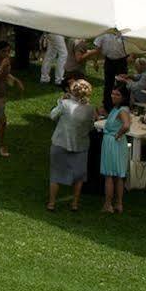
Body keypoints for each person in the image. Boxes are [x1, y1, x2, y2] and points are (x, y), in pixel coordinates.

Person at [47, 78, 93, 211]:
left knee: (56, 174)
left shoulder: (65, 104)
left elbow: (52, 116)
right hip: (81, 145)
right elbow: (91, 126)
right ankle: (74, 204)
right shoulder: (90, 109)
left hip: (61, 142)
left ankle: (51, 203)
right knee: (79, 176)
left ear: (73, 90)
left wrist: (60, 101)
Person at [97, 83, 135, 213]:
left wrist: (117, 135)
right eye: (113, 93)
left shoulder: (122, 110)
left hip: (113, 142)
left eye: (117, 94)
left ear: (123, 97)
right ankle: (119, 204)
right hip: (118, 143)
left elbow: (126, 125)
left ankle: (108, 204)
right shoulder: (118, 109)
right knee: (119, 175)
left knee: (109, 175)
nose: (113, 96)